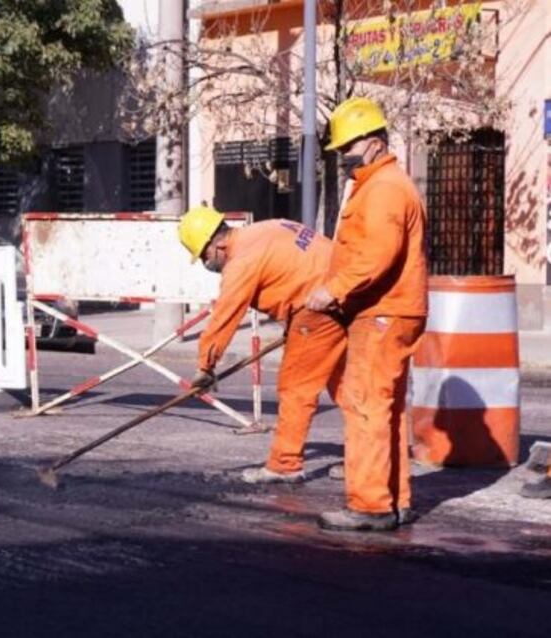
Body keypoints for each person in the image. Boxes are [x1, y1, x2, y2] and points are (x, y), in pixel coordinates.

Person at [305, 97, 428, 532]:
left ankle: (370, 505)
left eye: (348, 148)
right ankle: (395, 500)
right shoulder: (383, 183)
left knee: (364, 406)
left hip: (383, 312)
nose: (343, 157)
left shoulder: (385, 189)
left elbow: (376, 254)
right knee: (386, 408)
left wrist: (333, 290)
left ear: (374, 142)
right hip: (389, 309)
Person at [180, 206, 346, 484]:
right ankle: (371, 460)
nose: (206, 264)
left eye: (204, 256)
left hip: (316, 306)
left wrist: (205, 367)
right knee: (348, 386)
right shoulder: (271, 226)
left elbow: (225, 316)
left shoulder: (241, 262)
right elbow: (296, 266)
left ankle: (285, 464)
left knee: (296, 387)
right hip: (342, 292)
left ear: (217, 244)